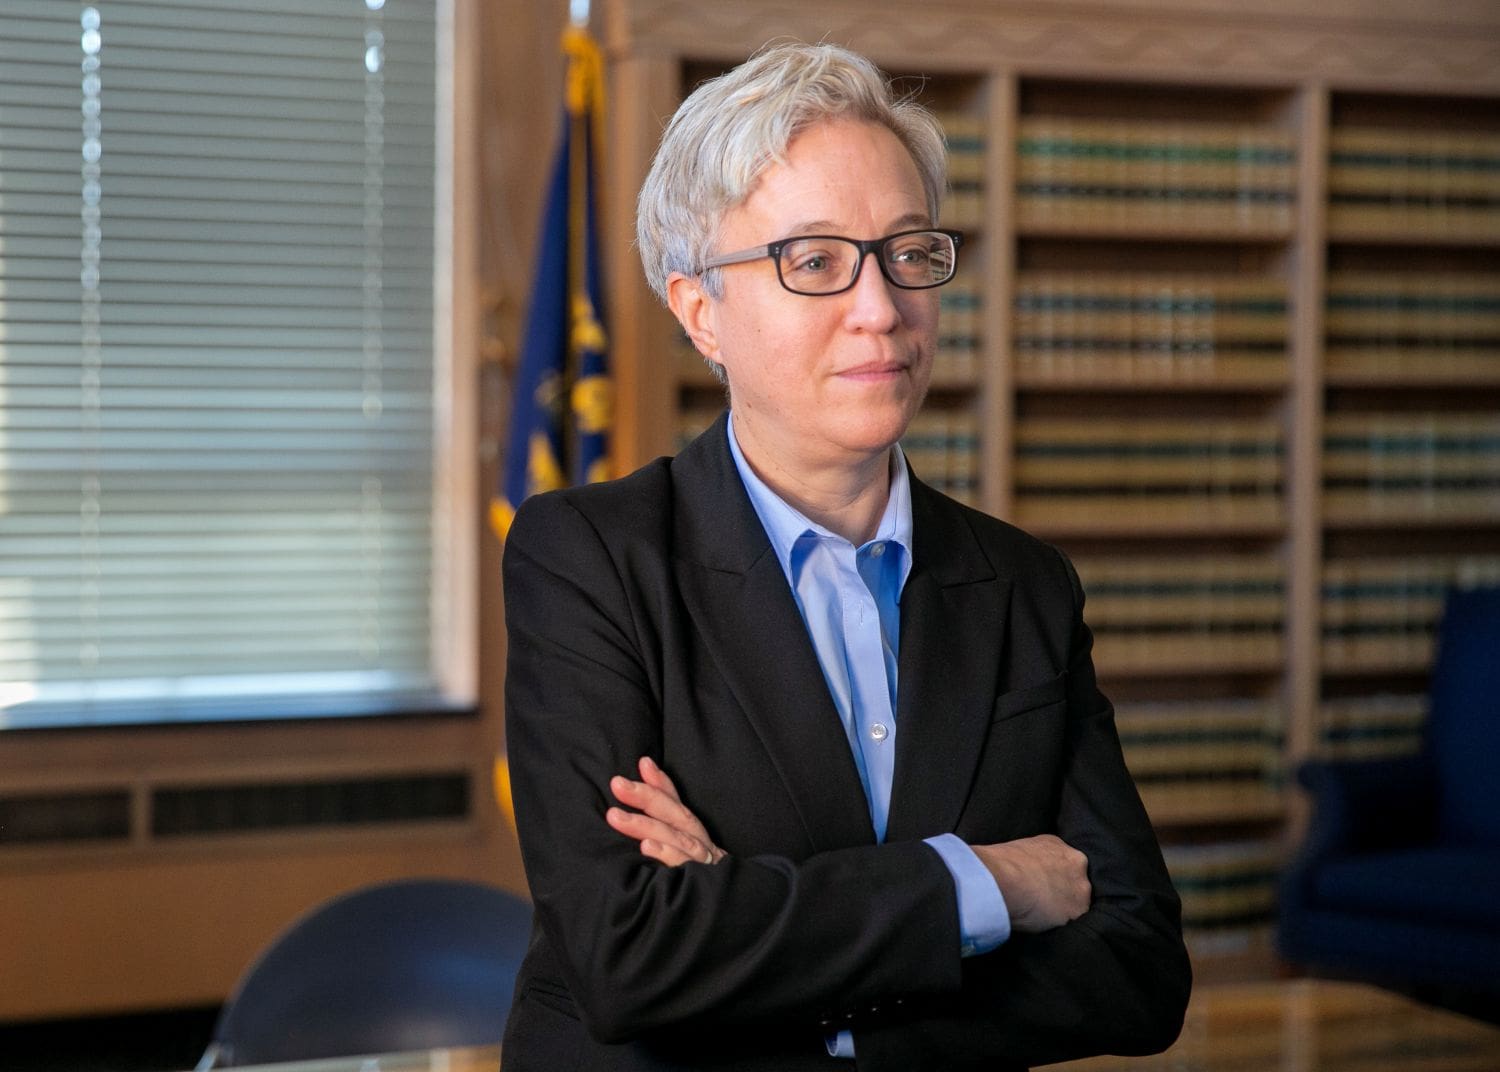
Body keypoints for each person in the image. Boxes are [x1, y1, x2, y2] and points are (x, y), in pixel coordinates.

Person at [500, 41, 1192, 1072]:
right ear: (701, 312)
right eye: (815, 262)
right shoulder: (590, 561)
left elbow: (1138, 968)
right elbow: (631, 954)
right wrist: (989, 886)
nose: (882, 308)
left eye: (908, 253)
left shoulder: (1025, 588)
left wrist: (762, 937)